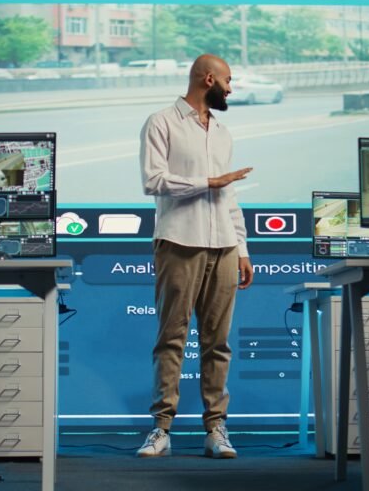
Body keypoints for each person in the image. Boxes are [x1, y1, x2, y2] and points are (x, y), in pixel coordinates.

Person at [136, 54, 255, 459]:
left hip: (223, 245)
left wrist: (241, 247)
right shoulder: (161, 122)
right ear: (209, 79)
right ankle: (161, 429)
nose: (230, 88)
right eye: (228, 81)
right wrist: (209, 181)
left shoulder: (222, 132)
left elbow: (229, 195)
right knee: (171, 338)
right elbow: (154, 181)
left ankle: (216, 429)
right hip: (178, 243)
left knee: (217, 343)